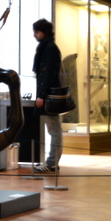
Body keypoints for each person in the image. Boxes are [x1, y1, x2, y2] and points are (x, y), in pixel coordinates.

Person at [32, 19, 64, 173]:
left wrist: (42, 96)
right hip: (48, 94)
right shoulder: (47, 47)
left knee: (54, 130)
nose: (35, 35)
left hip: (49, 96)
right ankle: (52, 161)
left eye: (37, 32)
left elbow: (49, 74)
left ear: (44, 32)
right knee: (54, 129)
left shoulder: (50, 48)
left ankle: (51, 162)